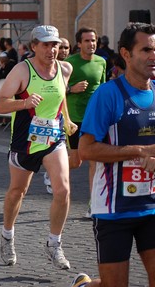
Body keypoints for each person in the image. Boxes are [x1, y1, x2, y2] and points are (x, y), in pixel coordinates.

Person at [73, 23, 155, 287]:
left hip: (151, 207)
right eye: (146, 49)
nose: (154, 55)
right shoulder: (108, 95)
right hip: (113, 210)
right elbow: (86, 149)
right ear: (126, 54)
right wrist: (138, 150)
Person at [0, 25, 73, 269]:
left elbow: (61, 97)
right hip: (25, 141)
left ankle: (54, 244)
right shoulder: (21, 70)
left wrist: (66, 120)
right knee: (18, 191)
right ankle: (7, 236)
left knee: (63, 190)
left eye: (55, 44)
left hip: (53, 138)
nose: (52, 49)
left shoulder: (65, 69)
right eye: (46, 45)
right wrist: (24, 102)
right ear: (34, 46)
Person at [66, 27, 107, 215]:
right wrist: (71, 89)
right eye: (87, 41)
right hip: (75, 118)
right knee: (76, 161)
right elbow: (59, 88)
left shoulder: (101, 62)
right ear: (79, 44)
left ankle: (93, 204)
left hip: (96, 118)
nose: (91, 44)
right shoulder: (69, 63)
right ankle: (54, 168)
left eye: (94, 40)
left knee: (95, 161)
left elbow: (104, 88)